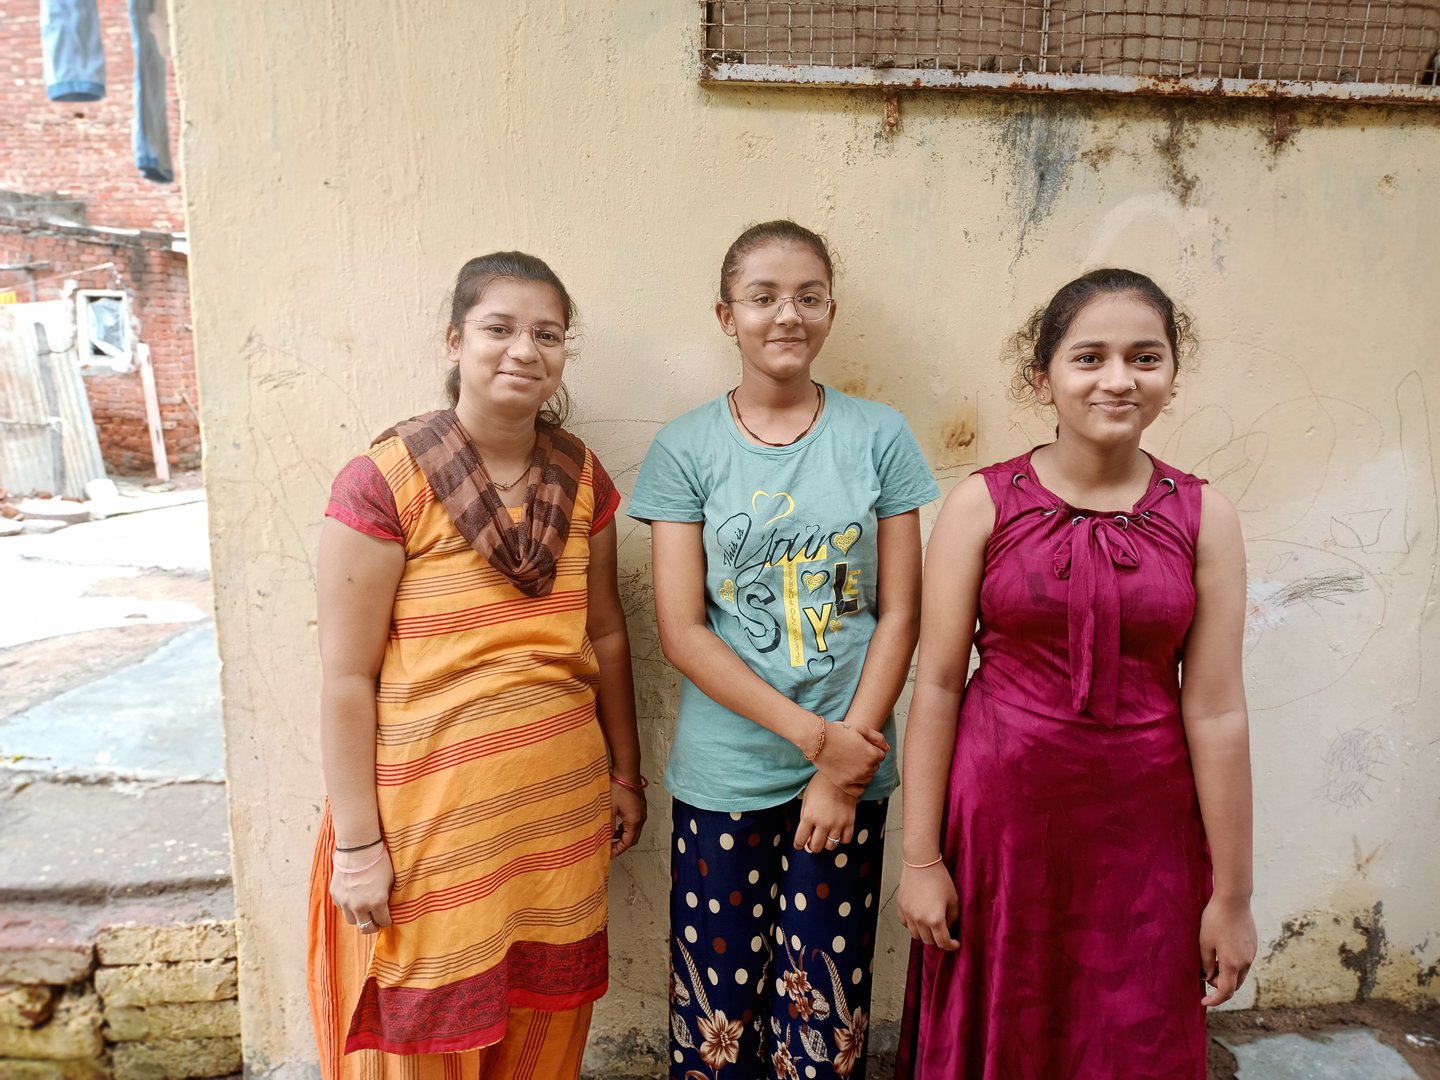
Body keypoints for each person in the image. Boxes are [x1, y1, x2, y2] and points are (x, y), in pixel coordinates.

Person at [895, 269, 1257, 1079]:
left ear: (1171, 372)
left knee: (1133, 1037)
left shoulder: (1206, 518)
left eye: (1145, 356)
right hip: (1002, 834)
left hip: (1150, 838)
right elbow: (941, 684)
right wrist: (921, 860)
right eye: (1089, 357)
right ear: (1044, 377)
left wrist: (1230, 897)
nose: (1119, 379)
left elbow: (1218, 712)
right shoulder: (980, 506)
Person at [305, 252, 647, 1080]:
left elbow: (604, 636)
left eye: (547, 334)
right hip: (428, 828)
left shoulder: (582, 481)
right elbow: (346, 678)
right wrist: (357, 847)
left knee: (542, 1039)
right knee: (419, 1047)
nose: (523, 350)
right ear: (455, 339)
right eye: (499, 328)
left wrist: (627, 776)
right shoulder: (386, 482)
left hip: (557, 823)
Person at [628, 220, 939, 1079]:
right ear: (726, 316)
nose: (786, 315)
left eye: (807, 296)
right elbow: (683, 632)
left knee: (821, 1010)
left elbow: (900, 614)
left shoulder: (879, 437)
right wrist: (816, 743)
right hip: (728, 775)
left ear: (831, 311)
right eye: (763, 297)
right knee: (717, 1013)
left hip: (848, 772)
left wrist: (842, 768)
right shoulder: (686, 449)